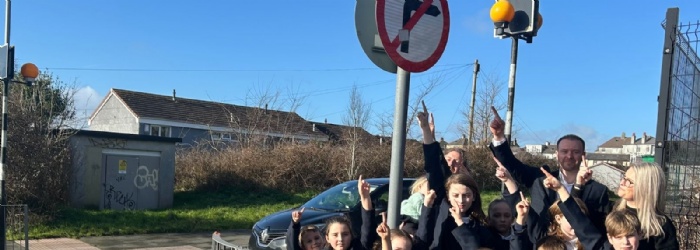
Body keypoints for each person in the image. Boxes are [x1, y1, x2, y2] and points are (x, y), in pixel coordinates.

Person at [488, 106, 610, 242]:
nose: (569, 156)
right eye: (564, 151)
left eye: (575, 152)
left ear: (583, 155)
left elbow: (600, 231)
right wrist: (498, 137)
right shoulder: (539, 179)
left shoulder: (599, 191)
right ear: (556, 154)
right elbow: (512, 165)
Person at [414, 102, 492, 249]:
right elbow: (433, 166)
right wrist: (426, 131)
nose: (461, 200)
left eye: (466, 195)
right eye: (456, 195)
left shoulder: (479, 222)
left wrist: (460, 222)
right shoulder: (442, 203)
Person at [612, 162, 678, 249]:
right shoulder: (613, 210)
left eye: (629, 181)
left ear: (645, 188)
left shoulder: (661, 226)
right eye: (624, 177)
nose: (622, 182)